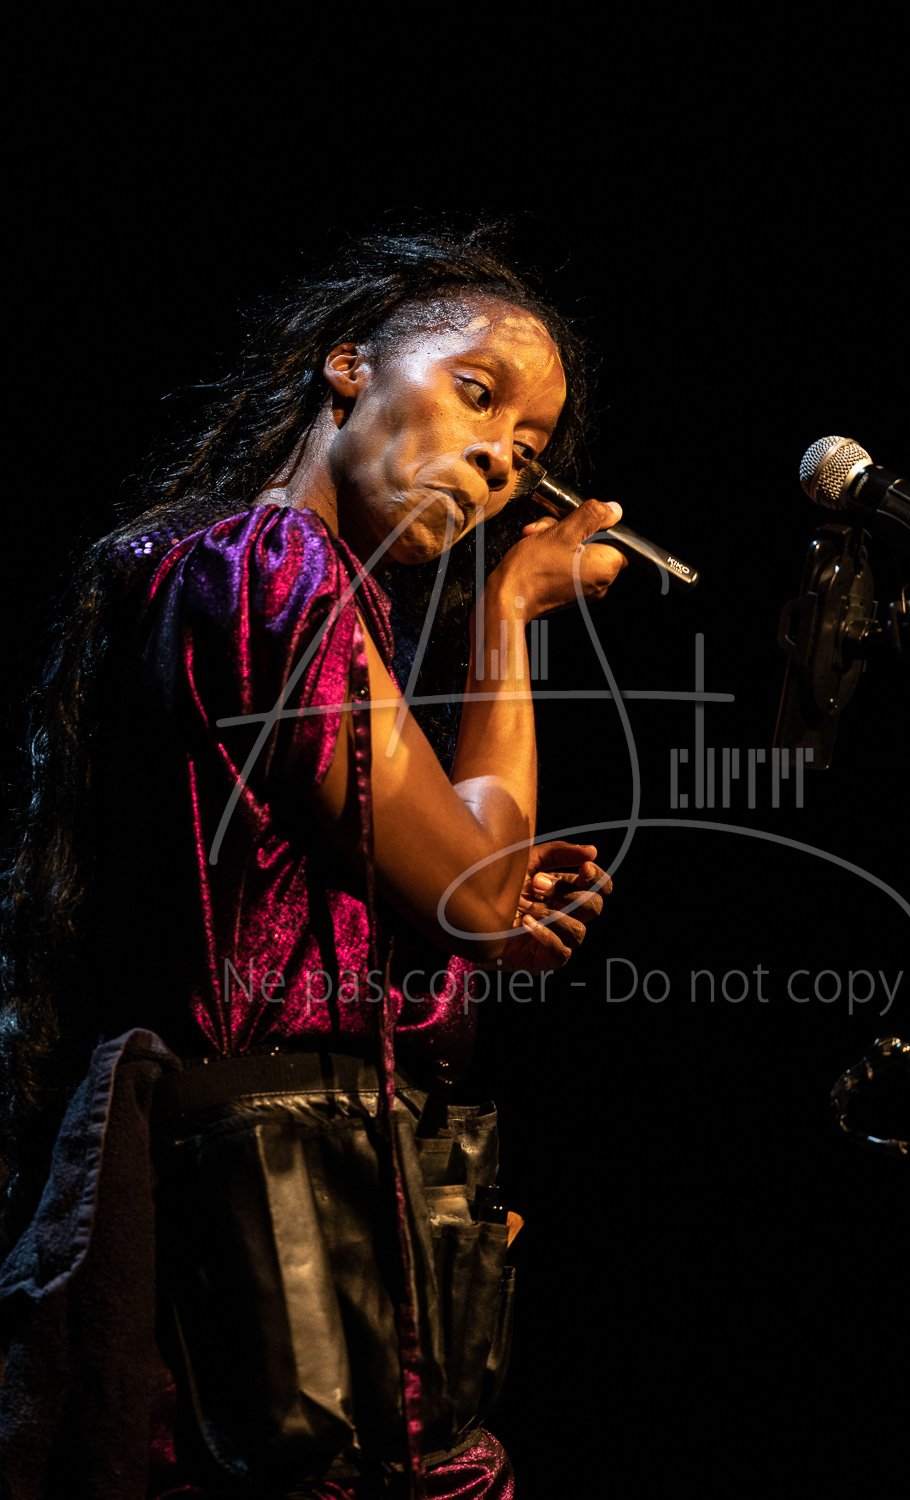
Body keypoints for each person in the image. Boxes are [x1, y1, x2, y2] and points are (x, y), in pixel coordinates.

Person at [0, 226, 628, 1499]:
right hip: (271, 1241)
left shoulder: (225, 575)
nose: (500, 459)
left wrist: (456, 921)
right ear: (348, 368)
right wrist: (509, 613)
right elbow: (477, 887)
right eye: (477, 394)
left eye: (529, 452)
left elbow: (420, 896)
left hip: (298, 1217)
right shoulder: (277, 566)